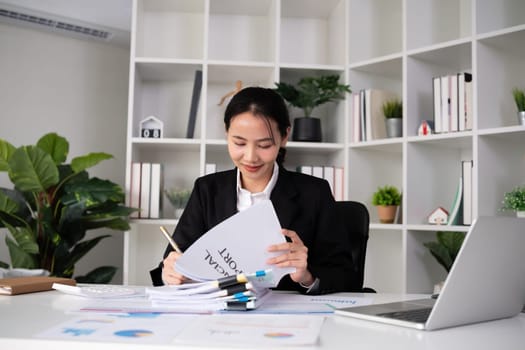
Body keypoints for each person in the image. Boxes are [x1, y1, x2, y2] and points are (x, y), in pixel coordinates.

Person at [150, 86, 360, 294]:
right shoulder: (207, 190)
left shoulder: (315, 193)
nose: (250, 157)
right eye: (239, 143)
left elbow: (346, 275)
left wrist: (306, 276)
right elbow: (172, 263)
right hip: (219, 317)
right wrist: (168, 273)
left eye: (264, 145)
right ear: (227, 133)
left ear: (285, 136)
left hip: (288, 318)